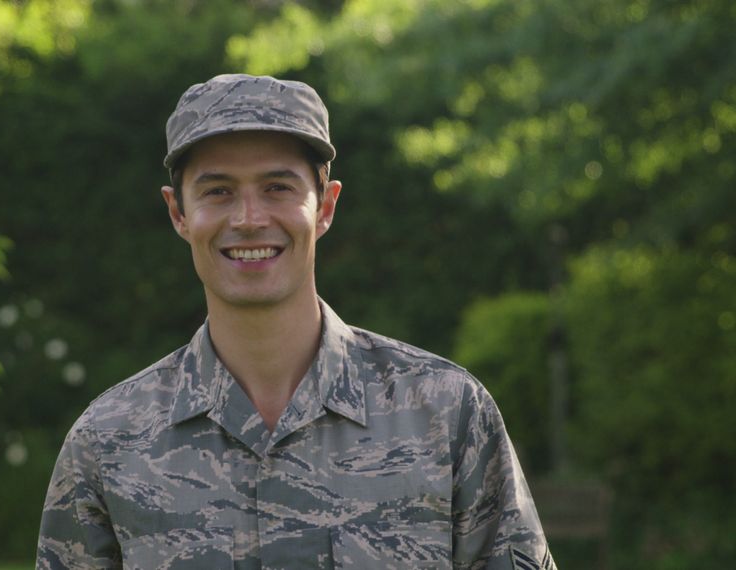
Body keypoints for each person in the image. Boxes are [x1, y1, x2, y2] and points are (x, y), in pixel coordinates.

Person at [36, 74, 555, 569]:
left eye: (277, 187)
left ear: (325, 206)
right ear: (178, 213)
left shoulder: (446, 414)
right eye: (218, 191)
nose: (249, 218)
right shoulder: (108, 441)